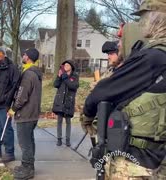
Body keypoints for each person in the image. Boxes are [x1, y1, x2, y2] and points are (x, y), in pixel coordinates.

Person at [81, 0, 166, 178]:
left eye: (144, 18)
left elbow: (102, 92)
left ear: (157, 19)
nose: (141, 24)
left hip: (136, 161)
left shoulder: (153, 57)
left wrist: (87, 117)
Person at [8, 48, 42, 180]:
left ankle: (28, 169)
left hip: (25, 114)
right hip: (32, 113)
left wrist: (13, 109)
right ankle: (27, 165)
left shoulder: (28, 74)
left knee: (25, 143)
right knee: (29, 140)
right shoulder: (35, 73)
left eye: (24, 54)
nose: (23, 55)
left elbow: (22, 95)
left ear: (28, 57)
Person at [52, 60, 79, 147]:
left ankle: (68, 139)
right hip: (60, 101)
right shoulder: (62, 75)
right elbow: (55, 85)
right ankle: (59, 139)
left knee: (68, 121)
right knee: (59, 120)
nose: (65, 66)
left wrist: (64, 77)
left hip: (69, 101)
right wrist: (59, 77)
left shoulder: (75, 76)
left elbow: (73, 86)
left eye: (67, 65)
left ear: (71, 66)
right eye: (64, 65)